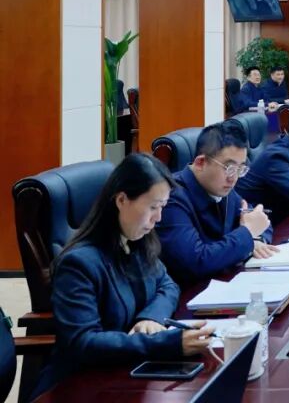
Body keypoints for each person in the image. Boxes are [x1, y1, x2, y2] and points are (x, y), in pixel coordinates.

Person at [33, 153, 215, 398]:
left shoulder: (137, 240)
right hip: (78, 386)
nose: (158, 218)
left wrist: (151, 317)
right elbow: (84, 343)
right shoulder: (78, 263)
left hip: (127, 372)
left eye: (162, 207)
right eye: (152, 207)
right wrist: (167, 343)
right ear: (121, 200)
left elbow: (168, 284)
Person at [157, 121, 277, 284]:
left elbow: (258, 221)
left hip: (222, 282)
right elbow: (197, 261)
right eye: (229, 168)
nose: (233, 178)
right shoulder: (170, 198)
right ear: (200, 162)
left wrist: (255, 240)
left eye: (240, 169)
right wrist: (247, 234)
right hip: (190, 292)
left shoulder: (221, 187)